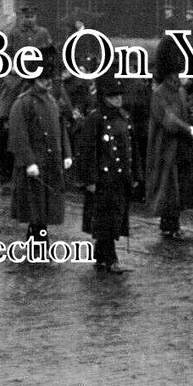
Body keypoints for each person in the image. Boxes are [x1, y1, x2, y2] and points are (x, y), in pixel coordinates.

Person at [8, 45, 71, 252]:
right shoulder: (23, 103)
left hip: (51, 161)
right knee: (35, 207)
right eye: (43, 78)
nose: (47, 82)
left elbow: (61, 129)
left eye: (48, 78)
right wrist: (29, 161)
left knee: (45, 207)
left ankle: (36, 242)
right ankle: (38, 245)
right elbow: (19, 135)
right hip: (35, 161)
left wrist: (67, 153)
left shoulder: (52, 100)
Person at [79, 72, 133, 274]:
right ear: (104, 97)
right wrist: (90, 179)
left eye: (119, 95)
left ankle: (102, 255)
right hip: (103, 177)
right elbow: (88, 150)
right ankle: (110, 257)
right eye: (113, 96)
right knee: (104, 217)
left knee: (114, 216)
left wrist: (133, 174)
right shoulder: (95, 119)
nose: (118, 99)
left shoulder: (123, 117)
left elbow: (130, 148)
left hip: (119, 176)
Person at [145, 34, 193, 239]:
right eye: (174, 73)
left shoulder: (180, 91)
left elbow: (188, 108)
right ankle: (170, 224)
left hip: (179, 148)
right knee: (169, 188)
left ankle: (171, 223)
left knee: (178, 187)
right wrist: (188, 128)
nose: (177, 77)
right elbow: (168, 119)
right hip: (164, 148)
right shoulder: (159, 93)